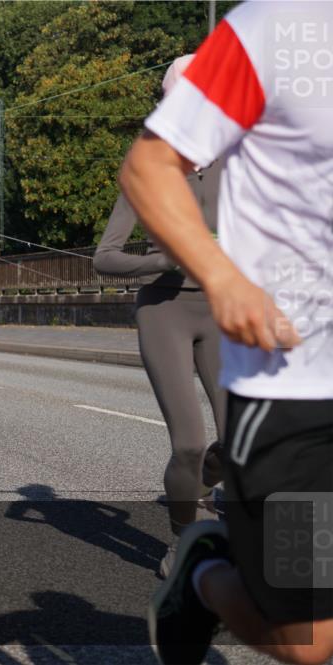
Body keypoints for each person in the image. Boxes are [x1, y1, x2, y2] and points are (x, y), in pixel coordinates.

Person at [119, 3, 333, 663]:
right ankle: (205, 570)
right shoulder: (276, 28)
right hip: (298, 386)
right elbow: (148, 171)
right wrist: (221, 276)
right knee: (309, 641)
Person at [95, 55, 227, 577]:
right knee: (190, 441)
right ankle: (184, 539)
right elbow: (105, 257)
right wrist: (160, 259)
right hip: (164, 311)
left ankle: (197, 494)